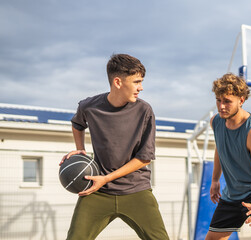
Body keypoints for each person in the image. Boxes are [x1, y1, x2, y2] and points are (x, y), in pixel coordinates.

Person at [60, 53, 169, 240]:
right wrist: (80, 149)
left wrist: (107, 177)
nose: (140, 88)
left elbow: (144, 158)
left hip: (136, 190)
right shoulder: (89, 106)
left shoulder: (144, 111)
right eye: (136, 82)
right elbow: (78, 124)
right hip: (97, 191)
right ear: (118, 82)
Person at [205, 73, 251, 240]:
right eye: (218, 100)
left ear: (241, 100)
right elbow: (221, 148)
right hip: (233, 191)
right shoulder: (216, 122)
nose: (221, 106)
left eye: (227, 101)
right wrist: (215, 180)